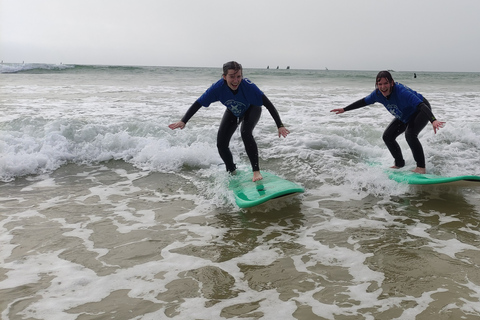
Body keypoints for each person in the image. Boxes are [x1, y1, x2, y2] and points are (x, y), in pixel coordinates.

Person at [169, 61, 290, 182]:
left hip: (252, 108)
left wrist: (280, 125)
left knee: (245, 132)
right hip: (233, 110)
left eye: (238, 76)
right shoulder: (217, 88)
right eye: (232, 76)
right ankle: (232, 171)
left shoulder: (249, 86)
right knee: (221, 143)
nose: (236, 80)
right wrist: (183, 121)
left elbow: (268, 104)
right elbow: (199, 103)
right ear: (224, 76)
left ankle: (256, 172)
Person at [330, 70, 445, 174]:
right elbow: (363, 102)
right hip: (404, 114)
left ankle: (421, 168)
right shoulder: (377, 94)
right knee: (387, 136)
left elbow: (421, 105)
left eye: (385, 83)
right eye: (380, 84)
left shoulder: (401, 92)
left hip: (421, 110)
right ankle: (399, 163)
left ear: (392, 83)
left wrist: (433, 120)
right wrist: (345, 109)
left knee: (410, 134)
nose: (383, 87)